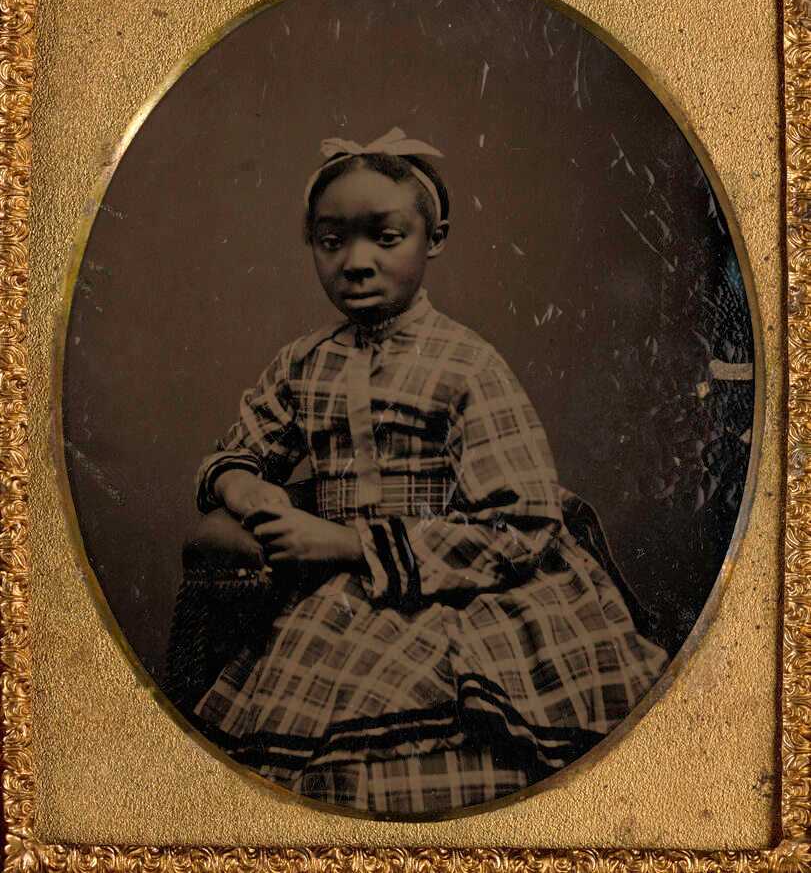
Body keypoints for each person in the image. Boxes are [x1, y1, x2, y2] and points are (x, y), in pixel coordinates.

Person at [190, 127, 670, 816]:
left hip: (472, 598)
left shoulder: (466, 364)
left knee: (450, 744)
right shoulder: (304, 362)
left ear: (432, 239)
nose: (354, 263)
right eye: (331, 242)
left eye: (384, 239)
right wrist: (246, 486)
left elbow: (519, 523)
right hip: (339, 603)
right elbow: (235, 451)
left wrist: (345, 543)